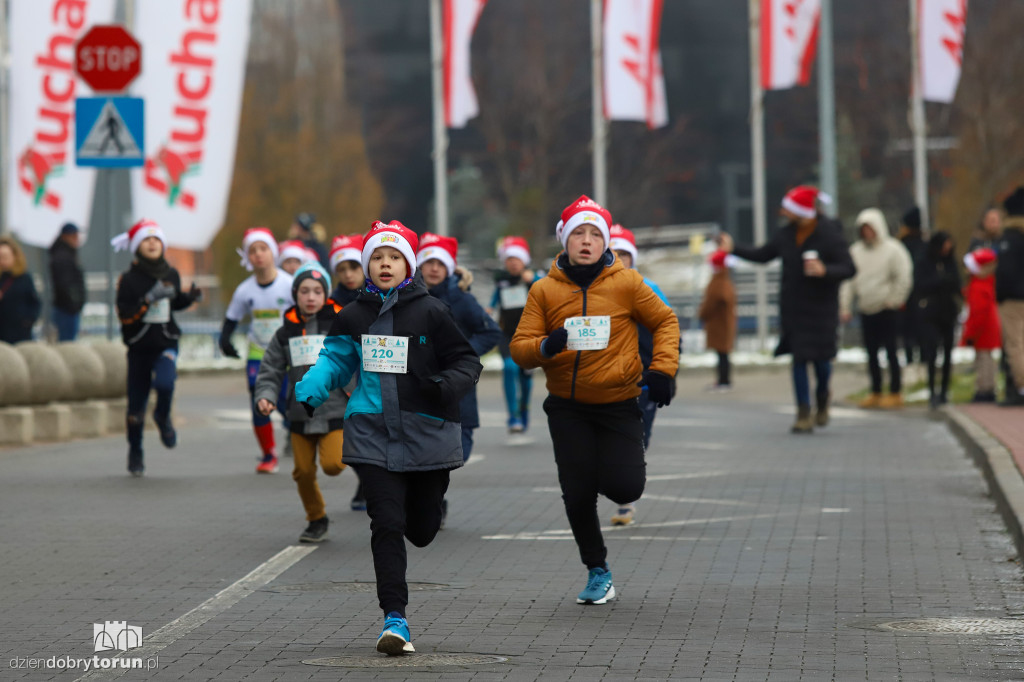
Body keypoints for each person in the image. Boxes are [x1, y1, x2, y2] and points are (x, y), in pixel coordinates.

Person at [295, 220, 482, 655]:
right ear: (366, 265)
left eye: (394, 257)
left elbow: (465, 361)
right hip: (373, 432)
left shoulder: (432, 311)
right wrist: (312, 387)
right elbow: (336, 359)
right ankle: (395, 618)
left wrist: (445, 385)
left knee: (421, 528)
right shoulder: (354, 315)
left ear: (408, 266)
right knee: (387, 523)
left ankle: (428, 514)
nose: (384, 264)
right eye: (377, 257)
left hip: (427, 432)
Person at [510, 195, 680, 606]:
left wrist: (662, 370)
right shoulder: (544, 290)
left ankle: (607, 473)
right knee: (578, 493)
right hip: (568, 408)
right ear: (564, 240)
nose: (586, 241)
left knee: (625, 486)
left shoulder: (627, 283)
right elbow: (519, 348)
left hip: (620, 402)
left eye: (595, 234)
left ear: (605, 242)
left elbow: (666, 321)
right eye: (578, 234)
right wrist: (547, 346)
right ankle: (597, 570)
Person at [719, 185, 856, 433]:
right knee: (799, 360)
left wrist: (825, 271)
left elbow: (849, 268)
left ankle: (823, 397)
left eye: (788, 208)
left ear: (801, 211)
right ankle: (803, 412)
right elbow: (763, 254)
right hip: (794, 309)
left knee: (823, 363)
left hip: (822, 310)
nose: (783, 212)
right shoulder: (786, 234)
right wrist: (734, 248)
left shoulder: (829, 234)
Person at [255, 262, 349, 542]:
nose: (311, 297)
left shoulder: (340, 325)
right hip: (299, 413)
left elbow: (354, 361)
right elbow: (270, 369)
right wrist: (266, 396)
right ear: (295, 294)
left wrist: (356, 392)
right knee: (303, 472)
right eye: (305, 291)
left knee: (333, 465)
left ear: (326, 294)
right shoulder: (286, 333)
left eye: (317, 291)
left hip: (334, 409)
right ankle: (317, 519)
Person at [417, 232, 503, 525]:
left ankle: (434, 497)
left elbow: (491, 332)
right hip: (422, 389)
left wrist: (464, 355)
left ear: (450, 267)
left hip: (459, 388)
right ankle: (431, 502)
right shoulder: (410, 298)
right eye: (428, 262)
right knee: (424, 453)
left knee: (457, 452)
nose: (434, 268)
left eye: (440, 263)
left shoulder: (462, 300)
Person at [111, 219, 201, 476]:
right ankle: (135, 451)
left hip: (165, 342)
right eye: (146, 240)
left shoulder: (170, 273)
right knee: (135, 409)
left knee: (165, 383)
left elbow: (174, 304)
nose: (152, 243)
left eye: (157, 239)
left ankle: (162, 417)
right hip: (139, 346)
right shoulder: (128, 280)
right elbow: (125, 314)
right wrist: (147, 300)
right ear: (137, 246)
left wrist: (189, 297)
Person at [607, 223, 679, 527]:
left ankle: (626, 499)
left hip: (645, 379)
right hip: (608, 379)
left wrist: (667, 372)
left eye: (625, 254)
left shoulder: (650, 289)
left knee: (638, 437)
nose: (620, 259)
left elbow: (670, 332)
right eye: (614, 253)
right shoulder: (595, 292)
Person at [220, 228, 295, 473]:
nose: (258, 255)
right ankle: (268, 454)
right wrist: (225, 340)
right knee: (258, 399)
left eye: (263, 249)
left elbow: (307, 312)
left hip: (286, 352)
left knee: (284, 402)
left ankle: (295, 431)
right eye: (253, 251)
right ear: (248, 258)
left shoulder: (289, 284)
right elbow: (232, 318)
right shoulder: (245, 290)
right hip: (258, 351)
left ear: (272, 253)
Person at [839, 208, 913, 409]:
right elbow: (849, 281)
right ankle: (876, 390)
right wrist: (845, 306)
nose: (867, 233)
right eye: (863, 230)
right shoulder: (855, 252)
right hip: (866, 307)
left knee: (891, 351)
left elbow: (904, 277)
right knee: (871, 353)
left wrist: (895, 300)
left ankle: (896, 391)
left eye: (870, 229)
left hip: (887, 308)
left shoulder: (893, 249)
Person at [491, 236, 538, 433]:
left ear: (524, 260)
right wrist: (488, 309)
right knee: (510, 368)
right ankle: (513, 416)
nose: (512, 263)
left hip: (529, 335)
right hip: (507, 334)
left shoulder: (533, 279)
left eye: (516, 259)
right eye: (509, 259)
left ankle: (523, 409)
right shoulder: (501, 282)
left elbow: (548, 289)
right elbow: (493, 302)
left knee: (525, 377)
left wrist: (533, 279)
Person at [914, 232, 962, 408]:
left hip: (948, 312)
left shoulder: (950, 262)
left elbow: (956, 283)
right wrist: (940, 281)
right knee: (932, 352)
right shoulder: (924, 261)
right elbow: (920, 284)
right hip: (930, 313)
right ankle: (932, 390)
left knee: (948, 353)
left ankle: (944, 391)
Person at [961, 248, 1001, 403]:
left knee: (983, 361)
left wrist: (970, 334)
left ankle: (984, 389)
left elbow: (977, 313)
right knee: (988, 360)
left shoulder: (977, 287)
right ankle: (989, 387)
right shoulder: (986, 283)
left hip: (982, 331)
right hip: (988, 329)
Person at [996, 187, 1024, 406]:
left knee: (1015, 345)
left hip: (1013, 299)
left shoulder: (1010, 238)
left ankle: (1020, 388)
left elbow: (1005, 272)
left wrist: (1000, 295)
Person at [699, 250, 738, 392]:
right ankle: (723, 380)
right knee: (723, 353)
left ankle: (724, 381)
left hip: (719, 323)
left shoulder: (719, 281)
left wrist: (703, 313)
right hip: (723, 323)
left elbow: (715, 299)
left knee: (722, 354)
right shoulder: (725, 279)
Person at [898, 207, 927, 371]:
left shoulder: (901, 245)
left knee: (908, 332)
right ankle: (922, 363)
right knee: (920, 331)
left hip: (907, 296)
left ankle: (910, 363)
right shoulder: (924, 245)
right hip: (920, 295)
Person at [48, 222, 86, 341]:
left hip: (68, 307)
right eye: (73, 236)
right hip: (66, 309)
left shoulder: (66, 254)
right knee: (67, 343)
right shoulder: (62, 256)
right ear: (65, 236)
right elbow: (65, 284)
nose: (76, 239)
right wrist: (74, 303)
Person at [0, 235, 41, 344]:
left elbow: (35, 303)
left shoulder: (24, 278)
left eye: (5, 257)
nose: (2, 261)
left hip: (20, 333)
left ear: (14, 256)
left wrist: (27, 321)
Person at [329, 234, 366, 306]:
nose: (348, 275)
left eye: (354, 267)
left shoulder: (380, 298)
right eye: (341, 270)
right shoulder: (331, 305)